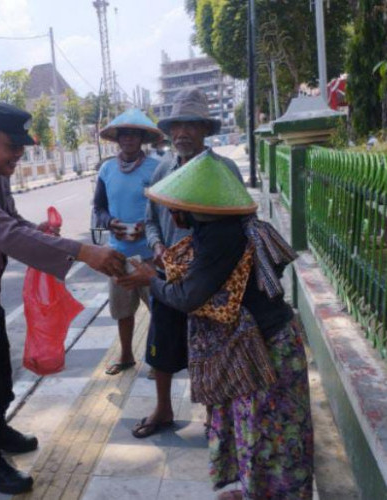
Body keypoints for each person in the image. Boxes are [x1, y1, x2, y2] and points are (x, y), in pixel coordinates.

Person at [0, 101, 126, 495]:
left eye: (21, 147)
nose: (19, 155)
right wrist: (83, 252)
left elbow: (13, 222)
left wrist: (42, 231)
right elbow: (4, 235)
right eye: (11, 146)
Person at [119, 151, 313, 499]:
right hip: (255, 347)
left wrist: (152, 280)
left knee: (270, 435)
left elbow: (187, 297)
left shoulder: (220, 236)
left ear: (196, 205)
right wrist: (157, 277)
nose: (172, 213)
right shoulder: (216, 228)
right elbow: (197, 282)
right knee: (252, 428)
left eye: (176, 206)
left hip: (266, 352)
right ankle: (253, 490)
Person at [136, 88, 244, 437]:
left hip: (212, 277)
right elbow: (150, 218)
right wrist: (155, 246)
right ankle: (163, 409)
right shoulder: (163, 169)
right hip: (169, 271)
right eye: (176, 125)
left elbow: (240, 224)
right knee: (162, 343)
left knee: (215, 348)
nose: (182, 132)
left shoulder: (224, 169)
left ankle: (217, 416)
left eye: (191, 125)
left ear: (204, 130)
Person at [93, 108, 164, 376]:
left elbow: (165, 209)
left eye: (134, 135)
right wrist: (110, 222)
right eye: (124, 135)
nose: (128, 139)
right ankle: (126, 356)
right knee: (122, 310)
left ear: (142, 138)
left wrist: (148, 231)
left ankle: (158, 360)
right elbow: (99, 207)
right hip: (117, 254)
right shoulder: (107, 169)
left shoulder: (156, 168)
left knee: (158, 310)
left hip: (149, 255)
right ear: (118, 138)